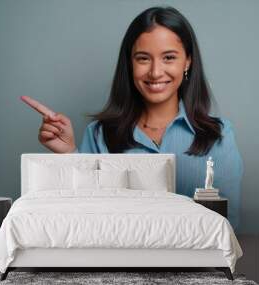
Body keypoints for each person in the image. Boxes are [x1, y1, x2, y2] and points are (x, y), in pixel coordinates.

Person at [20, 6, 243, 230]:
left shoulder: (219, 135)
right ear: (129, 63)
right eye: (143, 58)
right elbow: (87, 216)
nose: (156, 72)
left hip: (197, 262)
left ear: (187, 62)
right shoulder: (99, 134)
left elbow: (226, 225)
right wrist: (70, 154)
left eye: (169, 57)